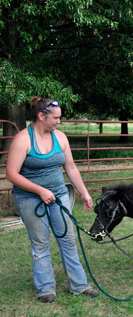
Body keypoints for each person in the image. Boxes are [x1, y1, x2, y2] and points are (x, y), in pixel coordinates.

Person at [6, 97, 99, 303]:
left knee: (67, 239)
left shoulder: (60, 137)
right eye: (56, 118)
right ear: (41, 116)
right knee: (40, 242)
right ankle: (45, 288)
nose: (59, 121)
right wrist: (40, 190)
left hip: (59, 196)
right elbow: (11, 174)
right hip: (30, 199)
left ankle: (79, 284)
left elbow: (71, 167)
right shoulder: (23, 139)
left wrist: (84, 192)